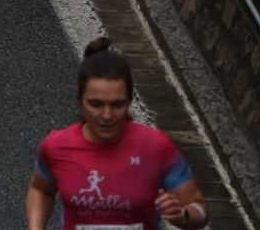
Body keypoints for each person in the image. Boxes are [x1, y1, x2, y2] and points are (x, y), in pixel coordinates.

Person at [26, 38, 210, 230]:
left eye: (117, 104)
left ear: (130, 100)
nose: (107, 115)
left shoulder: (156, 147)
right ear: (80, 98)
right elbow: (41, 190)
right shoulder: (56, 146)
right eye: (96, 104)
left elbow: (200, 210)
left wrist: (183, 215)